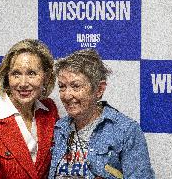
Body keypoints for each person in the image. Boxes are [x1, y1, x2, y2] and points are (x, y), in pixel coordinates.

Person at [49, 49, 155, 179]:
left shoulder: (126, 131)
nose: (66, 95)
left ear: (99, 89)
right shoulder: (59, 128)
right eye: (62, 87)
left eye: (76, 86)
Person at [0, 39, 59, 179]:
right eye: (16, 74)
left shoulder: (49, 110)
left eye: (31, 73)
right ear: (7, 77)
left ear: (46, 76)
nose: (23, 83)